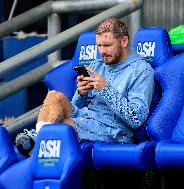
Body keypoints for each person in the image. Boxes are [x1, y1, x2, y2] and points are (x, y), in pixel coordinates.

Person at [15, 17, 155, 157]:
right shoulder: (98, 64)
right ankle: (40, 136)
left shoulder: (142, 70)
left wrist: (105, 89)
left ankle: (37, 141)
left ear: (124, 41)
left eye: (107, 45)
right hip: (86, 120)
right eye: (99, 46)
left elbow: (137, 119)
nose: (102, 51)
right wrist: (81, 94)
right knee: (54, 96)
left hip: (114, 131)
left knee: (64, 128)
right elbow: (76, 108)